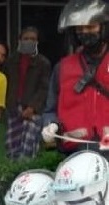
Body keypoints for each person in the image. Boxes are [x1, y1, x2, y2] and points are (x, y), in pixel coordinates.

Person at [41, 0, 109, 159]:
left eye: (91, 27)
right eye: (80, 29)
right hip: (76, 154)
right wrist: (49, 126)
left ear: (104, 28)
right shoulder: (62, 68)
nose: (85, 32)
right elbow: (50, 110)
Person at [4, 27, 51, 160]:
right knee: (12, 145)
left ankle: (27, 174)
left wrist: (32, 107)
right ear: (20, 40)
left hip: (32, 110)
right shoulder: (10, 61)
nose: (29, 41)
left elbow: (44, 88)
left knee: (28, 147)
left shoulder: (43, 63)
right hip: (13, 108)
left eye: (33, 39)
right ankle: (13, 175)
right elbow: (4, 84)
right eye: (26, 39)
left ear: (37, 42)